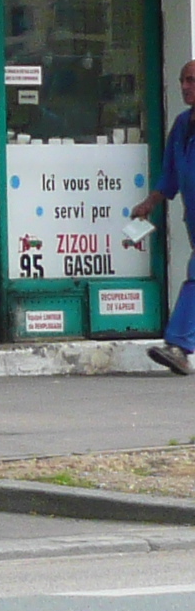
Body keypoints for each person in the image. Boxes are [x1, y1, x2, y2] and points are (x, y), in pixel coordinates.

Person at [125, 59, 195, 374]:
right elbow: (170, 175)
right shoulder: (182, 126)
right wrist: (149, 203)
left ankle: (179, 345)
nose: (184, 87)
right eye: (183, 80)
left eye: (191, 81)